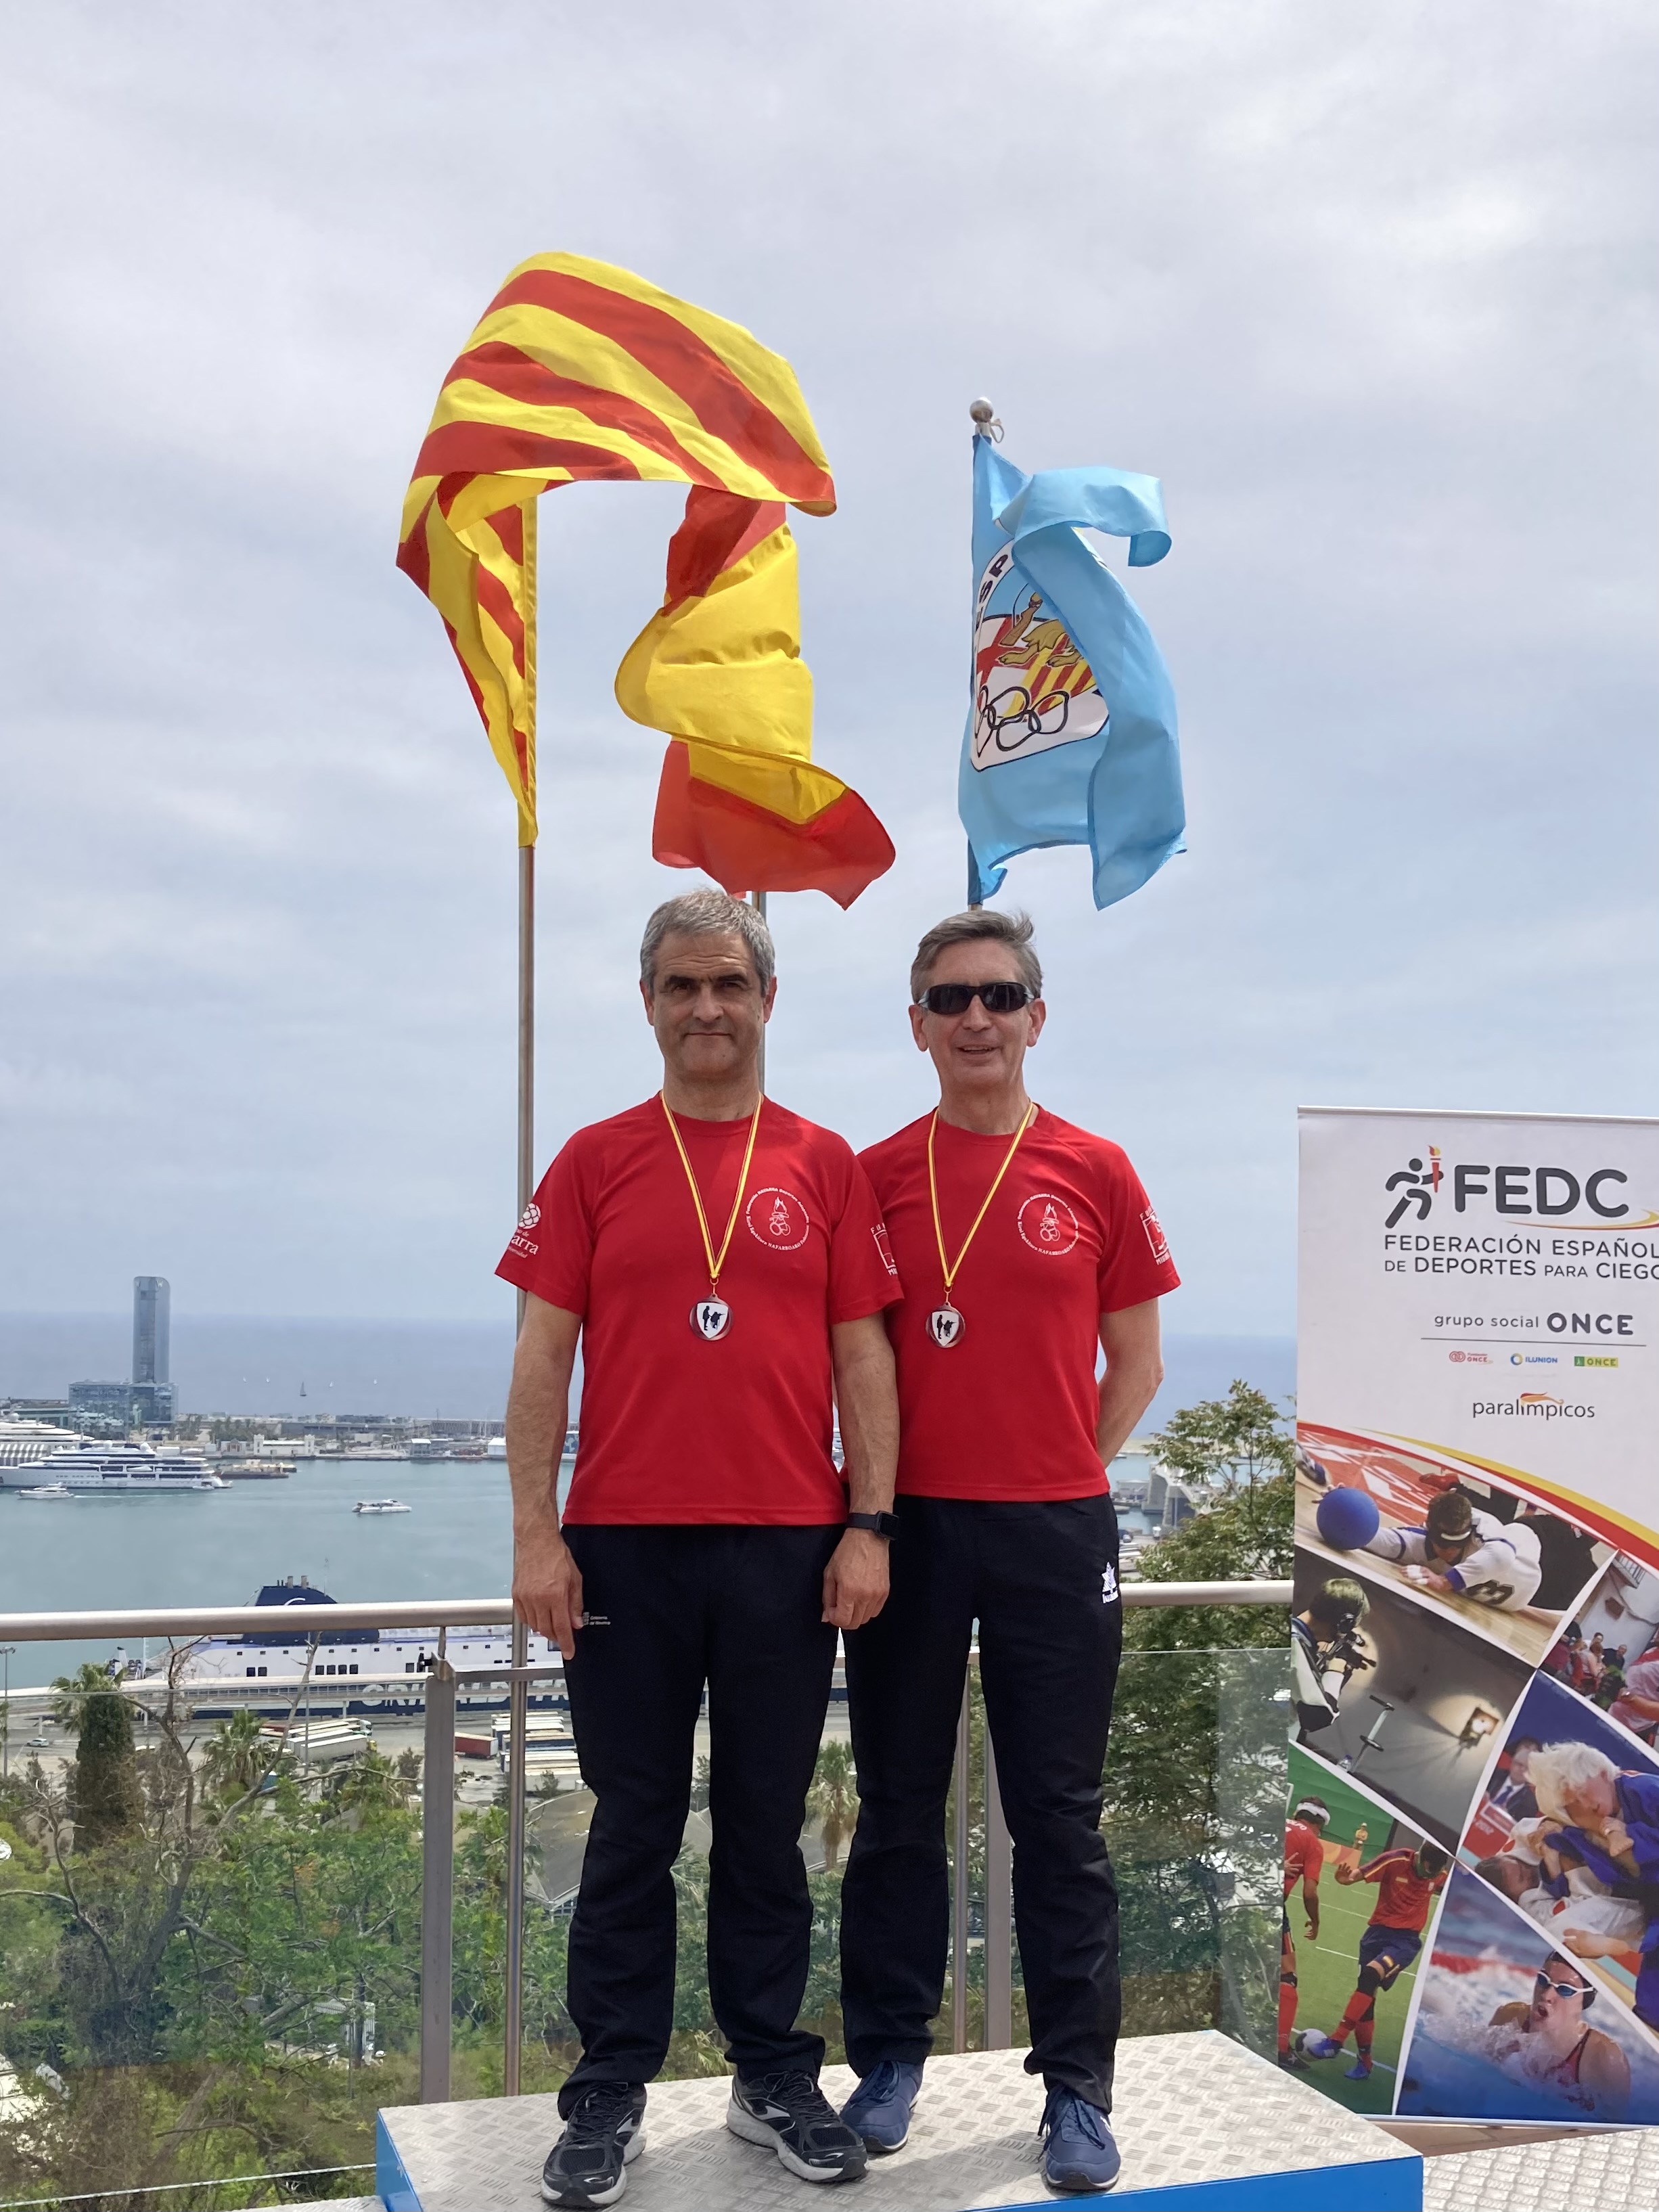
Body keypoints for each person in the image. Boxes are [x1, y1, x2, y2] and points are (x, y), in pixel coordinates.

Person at [501, 890, 903, 2207]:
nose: (705, 1007)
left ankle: (770, 2071)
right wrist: (535, 1536)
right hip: (620, 1545)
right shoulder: (592, 1158)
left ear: (764, 996)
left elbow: (863, 1356)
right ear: (649, 1002)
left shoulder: (824, 1162)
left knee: (765, 1828)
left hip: (788, 1546)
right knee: (630, 1824)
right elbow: (540, 1358)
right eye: (680, 984)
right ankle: (608, 2086)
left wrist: (869, 1520)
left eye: (727, 981)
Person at [836, 909, 1177, 2196]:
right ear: (916, 1022)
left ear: (1038, 1012)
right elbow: (845, 1355)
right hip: (905, 1524)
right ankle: (887, 2058)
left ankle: (1077, 2088)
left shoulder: (1096, 1166)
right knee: (896, 1806)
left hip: (1052, 1526)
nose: (973, 1016)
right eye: (947, 997)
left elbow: (1136, 1360)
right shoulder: (868, 1173)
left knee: (1060, 1817)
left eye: (997, 993)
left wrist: (1054, 1462)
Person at [1528, 1740, 1659, 2029]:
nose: (1586, 1806)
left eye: (1583, 1793)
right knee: (1558, 1934)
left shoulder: (1648, 1791)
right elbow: (1560, 1886)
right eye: (1572, 1806)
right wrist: (1549, 1850)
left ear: (1602, 1772)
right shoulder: (1574, 1828)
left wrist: (1632, 1837)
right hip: (1640, 1903)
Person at [1296, 1840, 1451, 2080]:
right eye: (1424, 1869)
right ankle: (1365, 2062)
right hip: (1375, 1936)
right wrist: (1343, 1879)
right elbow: (1354, 1876)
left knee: (1370, 1974)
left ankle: (1335, 2041)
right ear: (1418, 1857)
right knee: (1366, 2003)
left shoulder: (1441, 1875)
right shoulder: (1395, 1860)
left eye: (1432, 1873)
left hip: (1405, 1942)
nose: (1426, 1876)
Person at [1487, 1954, 1630, 2117]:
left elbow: (1613, 2128)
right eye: (1543, 1980)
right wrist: (1497, 2053)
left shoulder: (1603, 2058)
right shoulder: (1510, 2018)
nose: (1546, 1995)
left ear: (1585, 2001)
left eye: (1565, 1990)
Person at [1363, 1488, 1542, 1612]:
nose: (1450, 1551)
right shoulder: (1417, 1543)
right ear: (1430, 1530)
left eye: (1458, 1544)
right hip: (1527, 1602)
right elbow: (1374, 1537)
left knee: (1521, 1529)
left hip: (1545, 1568)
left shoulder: (1484, 1527)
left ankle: (1457, 1486)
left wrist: (1445, 1582)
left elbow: (1503, 1556)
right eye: (1443, 1544)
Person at [1279, 1796, 1329, 2068]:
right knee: (1287, 1975)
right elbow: (1309, 1892)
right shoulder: (1312, 1842)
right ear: (1320, 1824)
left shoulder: (1273, 1822)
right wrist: (1316, 1921)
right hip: (1269, 1903)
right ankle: (1280, 2049)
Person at [1292, 1578, 1371, 1739]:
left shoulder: (1298, 1641)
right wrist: (1335, 1670)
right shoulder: (1296, 1646)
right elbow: (1317, 1717)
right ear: (1344, 1623)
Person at [1487, 1737, 1541, 1820]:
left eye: (1527, 1768)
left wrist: (1507, 1819)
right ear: (1512, 1763)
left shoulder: (1531, 1802)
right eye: (1519, 1765)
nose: (1522, 1770)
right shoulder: (1492, 1774)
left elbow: (1519, 1827)